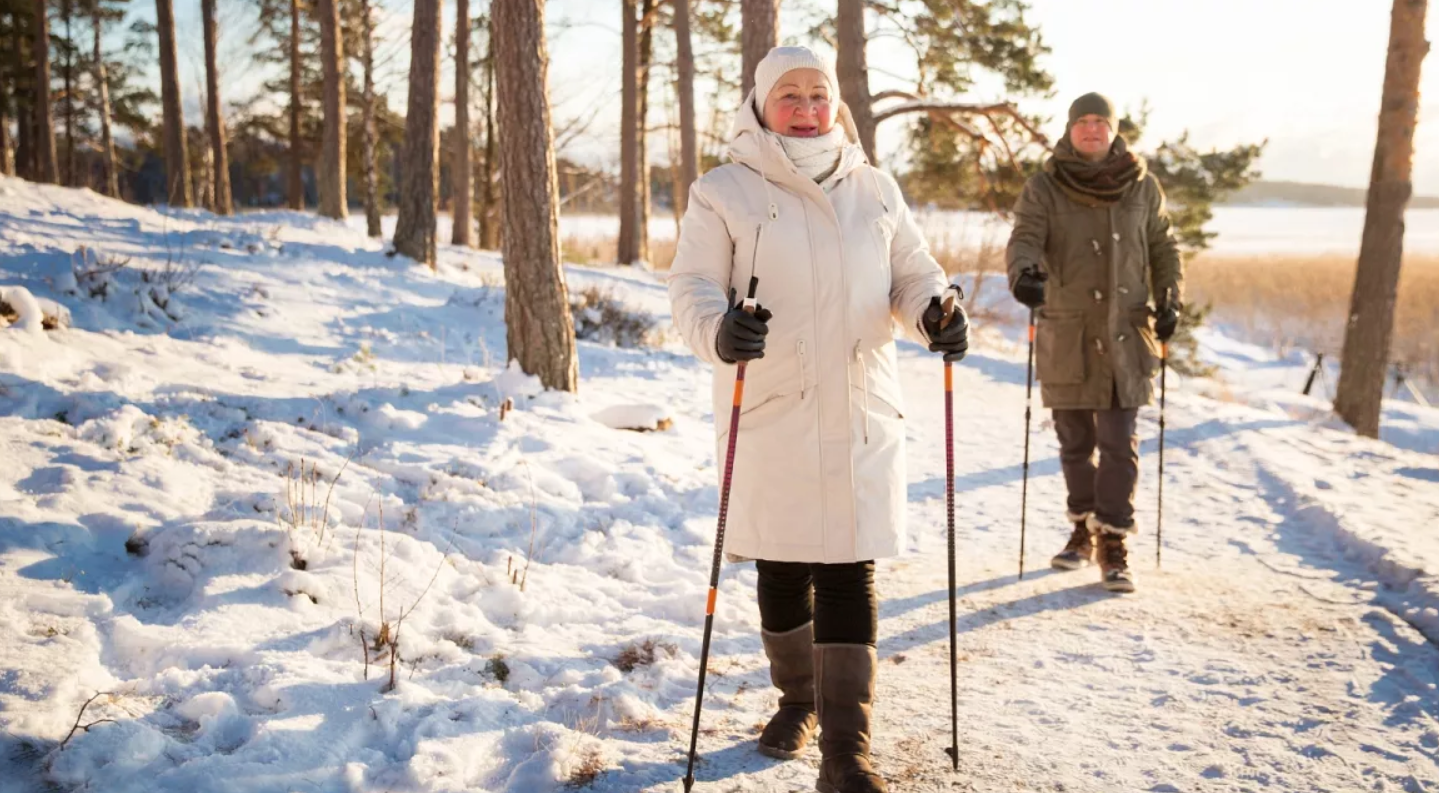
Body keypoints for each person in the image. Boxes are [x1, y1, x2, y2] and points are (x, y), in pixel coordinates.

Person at [668, 45, 967, 793]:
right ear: (761, 105)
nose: (805, 107)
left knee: (847, 564)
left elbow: (912, 274)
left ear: (836, 104)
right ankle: (796, 696)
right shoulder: (722, 191)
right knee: (781, 563)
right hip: (772, 404)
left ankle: (846, 750)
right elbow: (692, 289)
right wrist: (719, 330)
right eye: (789, 95)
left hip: (861, 404)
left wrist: (936, 314)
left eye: (817, 94)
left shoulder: (875, 188)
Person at [1005, 92, 1183, 594]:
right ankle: (1081, 529)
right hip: (1070, 332)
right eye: (1082, 122)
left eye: (1099, 122)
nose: (1090, 130)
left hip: (1126, 334)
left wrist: (1171, 298)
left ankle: (1113, 540)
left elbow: (1164, 245)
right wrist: (1025, 274)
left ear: (1113, 130)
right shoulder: (1044, 186)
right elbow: (1025, 237)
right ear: (1069, 130)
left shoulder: (1142, 186)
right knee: (1076, 444)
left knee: (1119, 444)